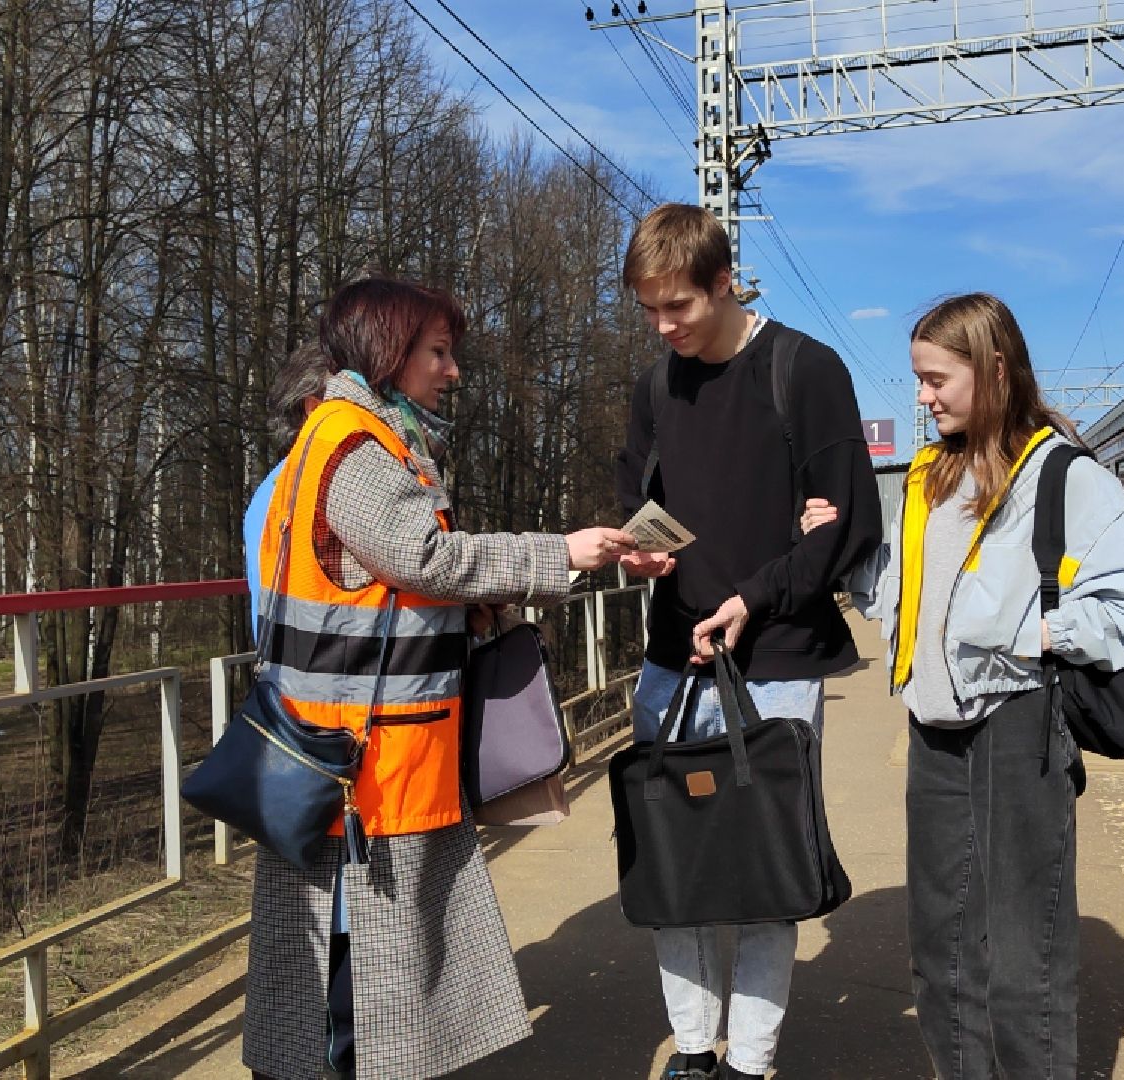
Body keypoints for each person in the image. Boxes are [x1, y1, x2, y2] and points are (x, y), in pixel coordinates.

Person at [241, 277, 638, 1080]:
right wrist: (556, 553)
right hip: (363, 770)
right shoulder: (355, 446)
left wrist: (482, 601)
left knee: (355, 975)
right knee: (361, 982)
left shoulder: (343, 438)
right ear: (389, 351)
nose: (452, 371)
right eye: (438, 351)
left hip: (339, 758)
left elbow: (391, 582)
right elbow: (424, 559)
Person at [806, 292, 1124, 1079]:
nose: (922, 396)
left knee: (1023, 962)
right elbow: (906, 600)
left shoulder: (1063, 476)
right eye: (918, 379)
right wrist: (842, 548)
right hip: (932, 730)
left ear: (995, 369)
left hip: (1017, 729)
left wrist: (1033, 632)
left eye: (936, 378)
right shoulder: (927, 477)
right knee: (940, 954)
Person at [612, 204, 882, 1080]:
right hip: (670, 663)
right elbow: (632, 499)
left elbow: (849, 525)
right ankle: (694, 1053)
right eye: (649, 310)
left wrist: (754, 596)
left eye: (678, 307)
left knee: (765, 872)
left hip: (775, 663)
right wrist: (638, 554)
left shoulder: (804, 370)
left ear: (724, 282)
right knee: (678, 870)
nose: (663, 328)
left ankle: (750, 1063)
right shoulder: (656, 388)